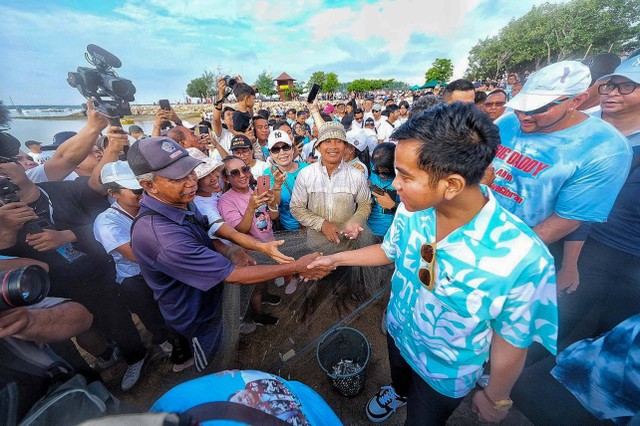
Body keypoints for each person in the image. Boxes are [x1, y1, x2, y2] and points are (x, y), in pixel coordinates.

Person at [307, 102, 558, 424]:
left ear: (451, 184)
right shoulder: (412, 211)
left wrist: (496, 395)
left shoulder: (523, 258)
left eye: (405, 176)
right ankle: (397, 392)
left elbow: (513, 339)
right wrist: (334, 258)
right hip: (398, 331)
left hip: (444, 372)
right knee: (399, 379)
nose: (395, 186)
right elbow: (390, 251)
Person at [127, 137, 328, 371]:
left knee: (226, 340)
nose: (191, 182)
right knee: (213, 364)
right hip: (198, 318)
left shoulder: (181, 202)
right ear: (148, 185)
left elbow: (209, 234)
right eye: (177, 178)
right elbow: (232, 275)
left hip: (213, 300)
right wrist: (294, 267)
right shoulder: (161, 236)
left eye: (191, 172)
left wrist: (231, 249)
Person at [491, 61, 632, 326]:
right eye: (521, 105)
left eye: (539, 109)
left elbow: (568, 218)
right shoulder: (508, 121)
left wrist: (501, 255)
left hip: (525, 249)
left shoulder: (605, 149)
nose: (524, 116)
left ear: (576, 101)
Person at [93, 161, 195, 372]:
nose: (142, 193)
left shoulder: (153, 204)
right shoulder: (106, 222)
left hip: (166, 269)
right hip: (137, 279)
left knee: (178, 314)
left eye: (144, 186)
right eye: (136, 190)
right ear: (114, 193)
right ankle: (173, 352)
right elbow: (136, 256)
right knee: (157, 319)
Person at [262, 129, 308, 232]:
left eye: (285, 147)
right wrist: (277, 186)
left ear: (292, 149)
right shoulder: (267, 175)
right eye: (275, 149)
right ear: (270, 153)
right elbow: (273, 210)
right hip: (288, 231)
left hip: (313, 227)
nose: (282, 152)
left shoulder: (307, 168)